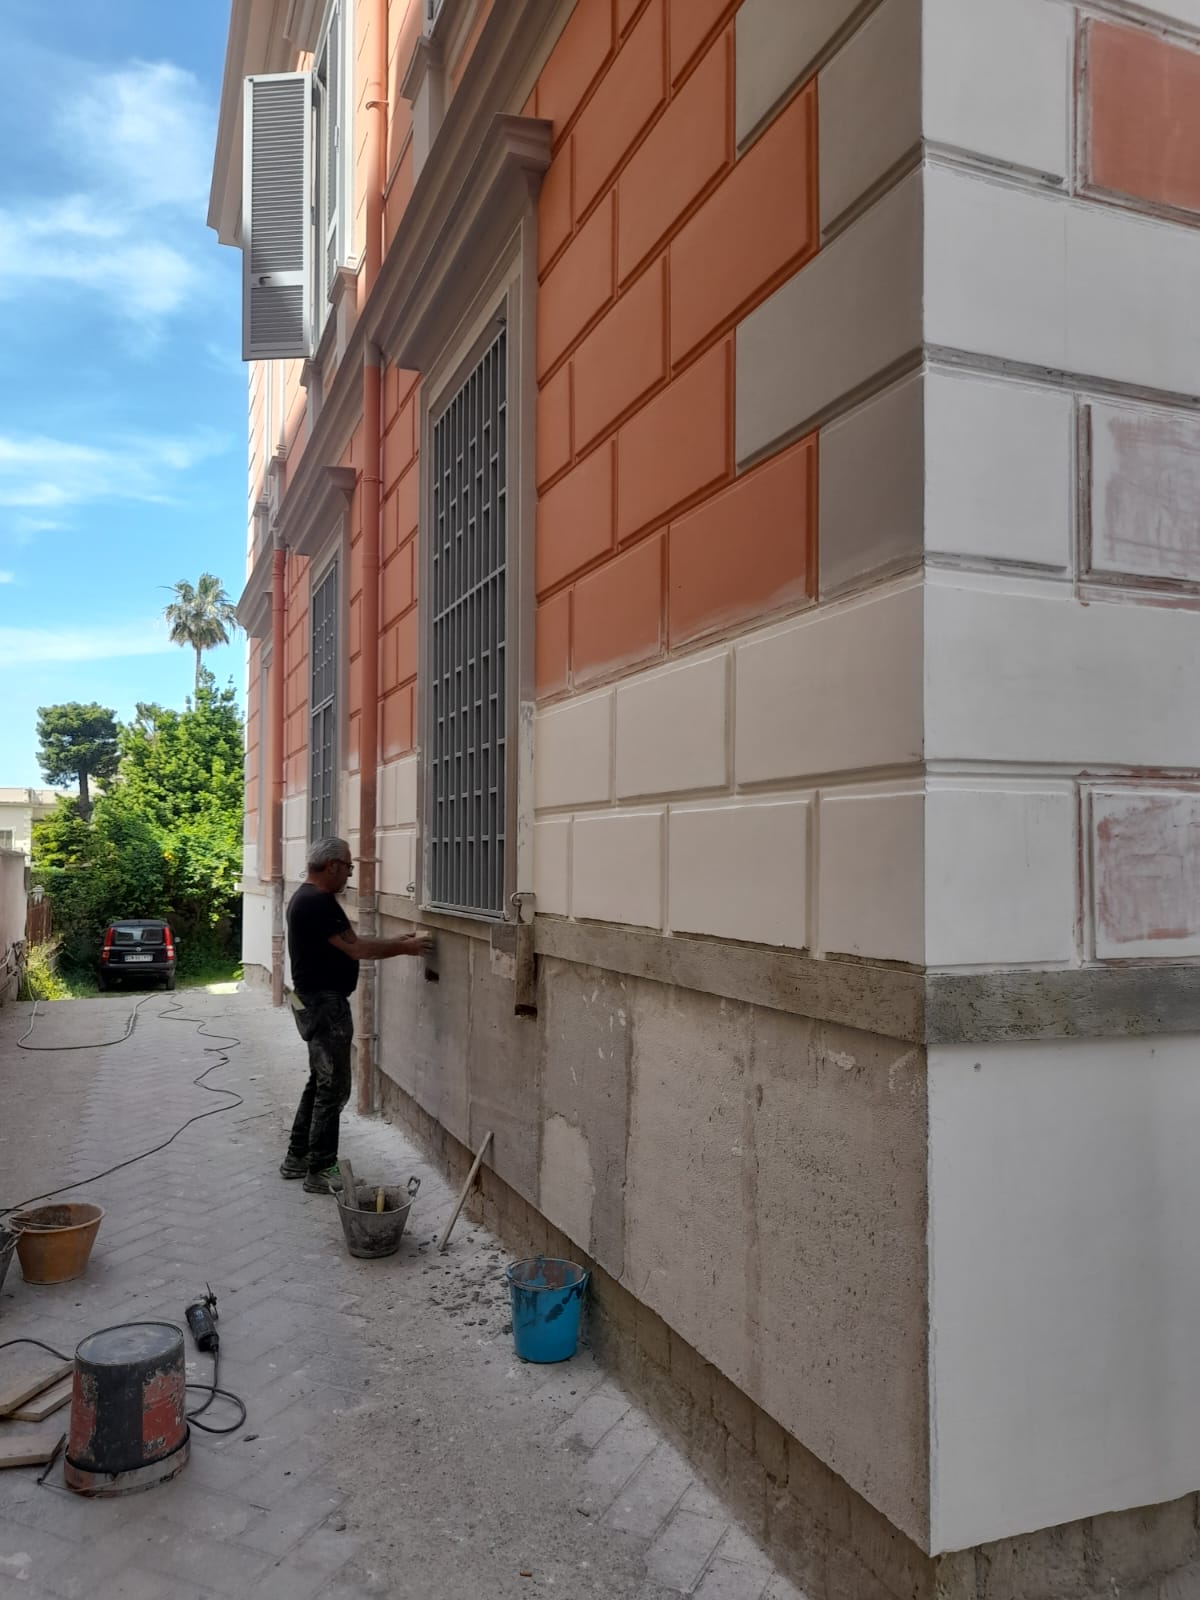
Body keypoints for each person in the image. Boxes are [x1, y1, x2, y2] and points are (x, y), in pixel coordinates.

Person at [281, 836, 430, 1194]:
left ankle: (298, 1157)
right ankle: (321, 1169)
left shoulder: (306, 898)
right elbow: (358, 948)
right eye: (348, 866)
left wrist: (397, 941)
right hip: (324, 1005)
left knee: (320, 1081)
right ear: (332, 865)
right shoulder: (318, 902)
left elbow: (349, 942)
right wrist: (406, 948)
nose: (350, 873)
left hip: (310, 1001)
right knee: (333, 1088)